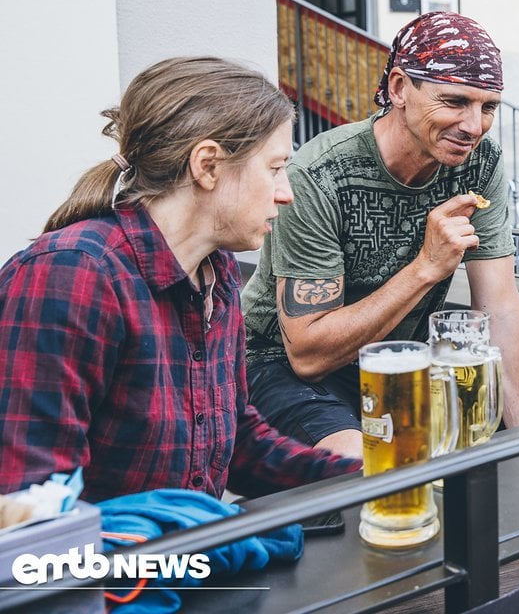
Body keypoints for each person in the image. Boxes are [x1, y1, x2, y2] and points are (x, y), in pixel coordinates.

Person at [0, 57, 361, 503]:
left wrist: (371, 475)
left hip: (184, 565)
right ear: (207, 165)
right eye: (274, 168)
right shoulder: (71, 276)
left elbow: (236, 442)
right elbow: (30, 501)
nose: (285, 192)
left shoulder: (217, 271)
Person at [242, 11, 519, 459]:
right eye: (455, 101)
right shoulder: (319, 175)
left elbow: (499, 307)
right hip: (279, 368)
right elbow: (308, 354)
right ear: (399, 88)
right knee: (374, 469)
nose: (474, 126)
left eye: (488, 106)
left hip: (403, 360)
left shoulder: (480, 163)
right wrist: (425, 268)